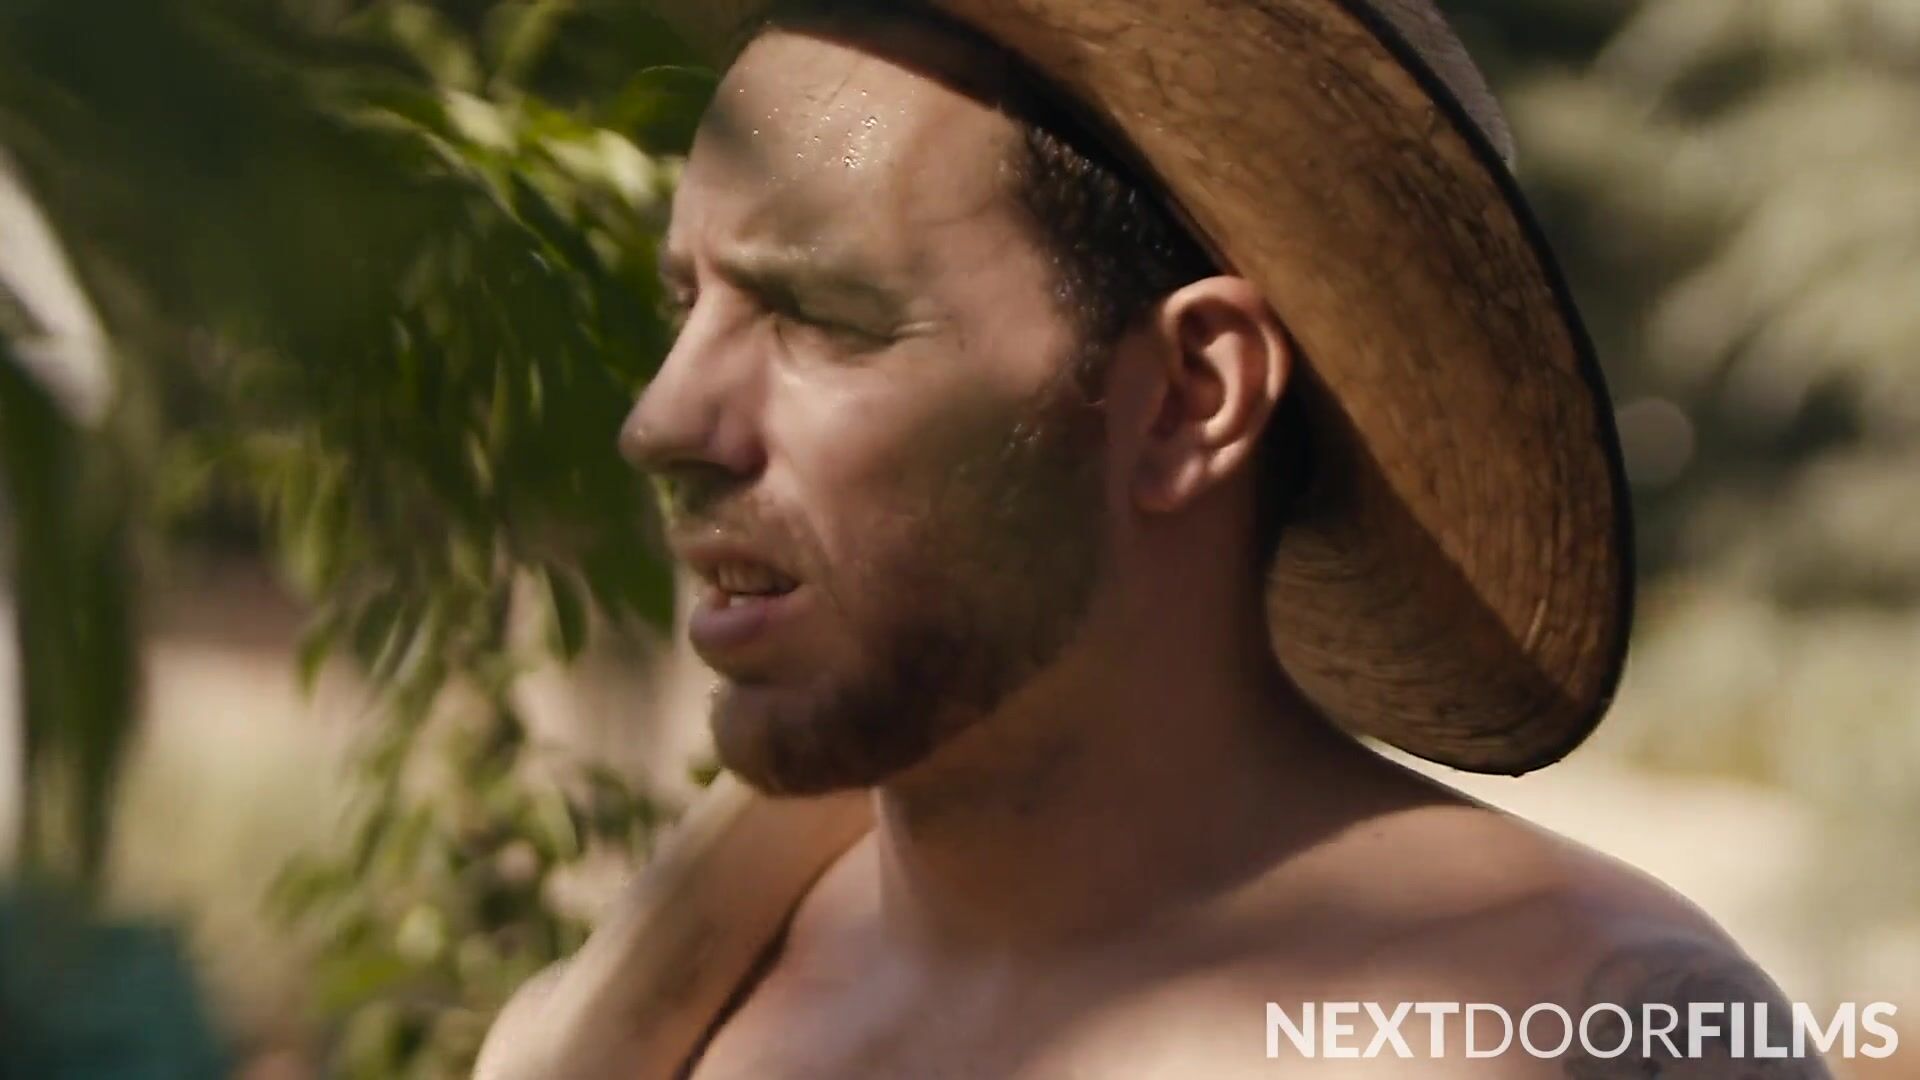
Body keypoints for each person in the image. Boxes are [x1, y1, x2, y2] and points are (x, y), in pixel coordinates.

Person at [483, 1, 1826, 1075]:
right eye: (690, 306)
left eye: (823, 317)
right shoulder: (683, 1005)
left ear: (1190, 400)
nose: (664, 421)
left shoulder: (1571, 1027)